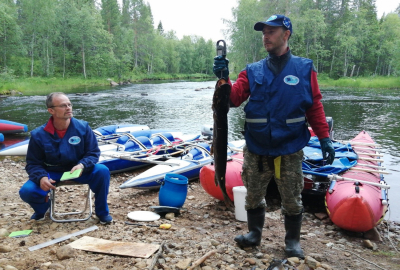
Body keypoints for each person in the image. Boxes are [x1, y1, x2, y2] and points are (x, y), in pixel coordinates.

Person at [213, 15, 335, 258]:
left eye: (271, 31)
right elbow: (233, 100)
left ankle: (292, 243)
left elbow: (314, 105)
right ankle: (254, 234)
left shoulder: (304, 68)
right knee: (254, 194)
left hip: (290, 146)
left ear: (286, 34)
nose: (265, 36)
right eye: (263, 32)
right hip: (257, 146)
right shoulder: (252, 70)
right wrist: (224, 79)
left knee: (291, 197)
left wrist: (324, 137)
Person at [19, 92, 112, 224]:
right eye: (63, 106)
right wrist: (41, 177)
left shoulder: (83, 127)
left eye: (69, 104)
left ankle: (102, 213)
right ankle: (42, 209)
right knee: (27, 191)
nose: (68, 108)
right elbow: (33, 163)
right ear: (51, 110)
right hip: (52, 174)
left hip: (79, 171)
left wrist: (82, 165)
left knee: (102, 170)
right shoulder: (38, 134)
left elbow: (93, 153)